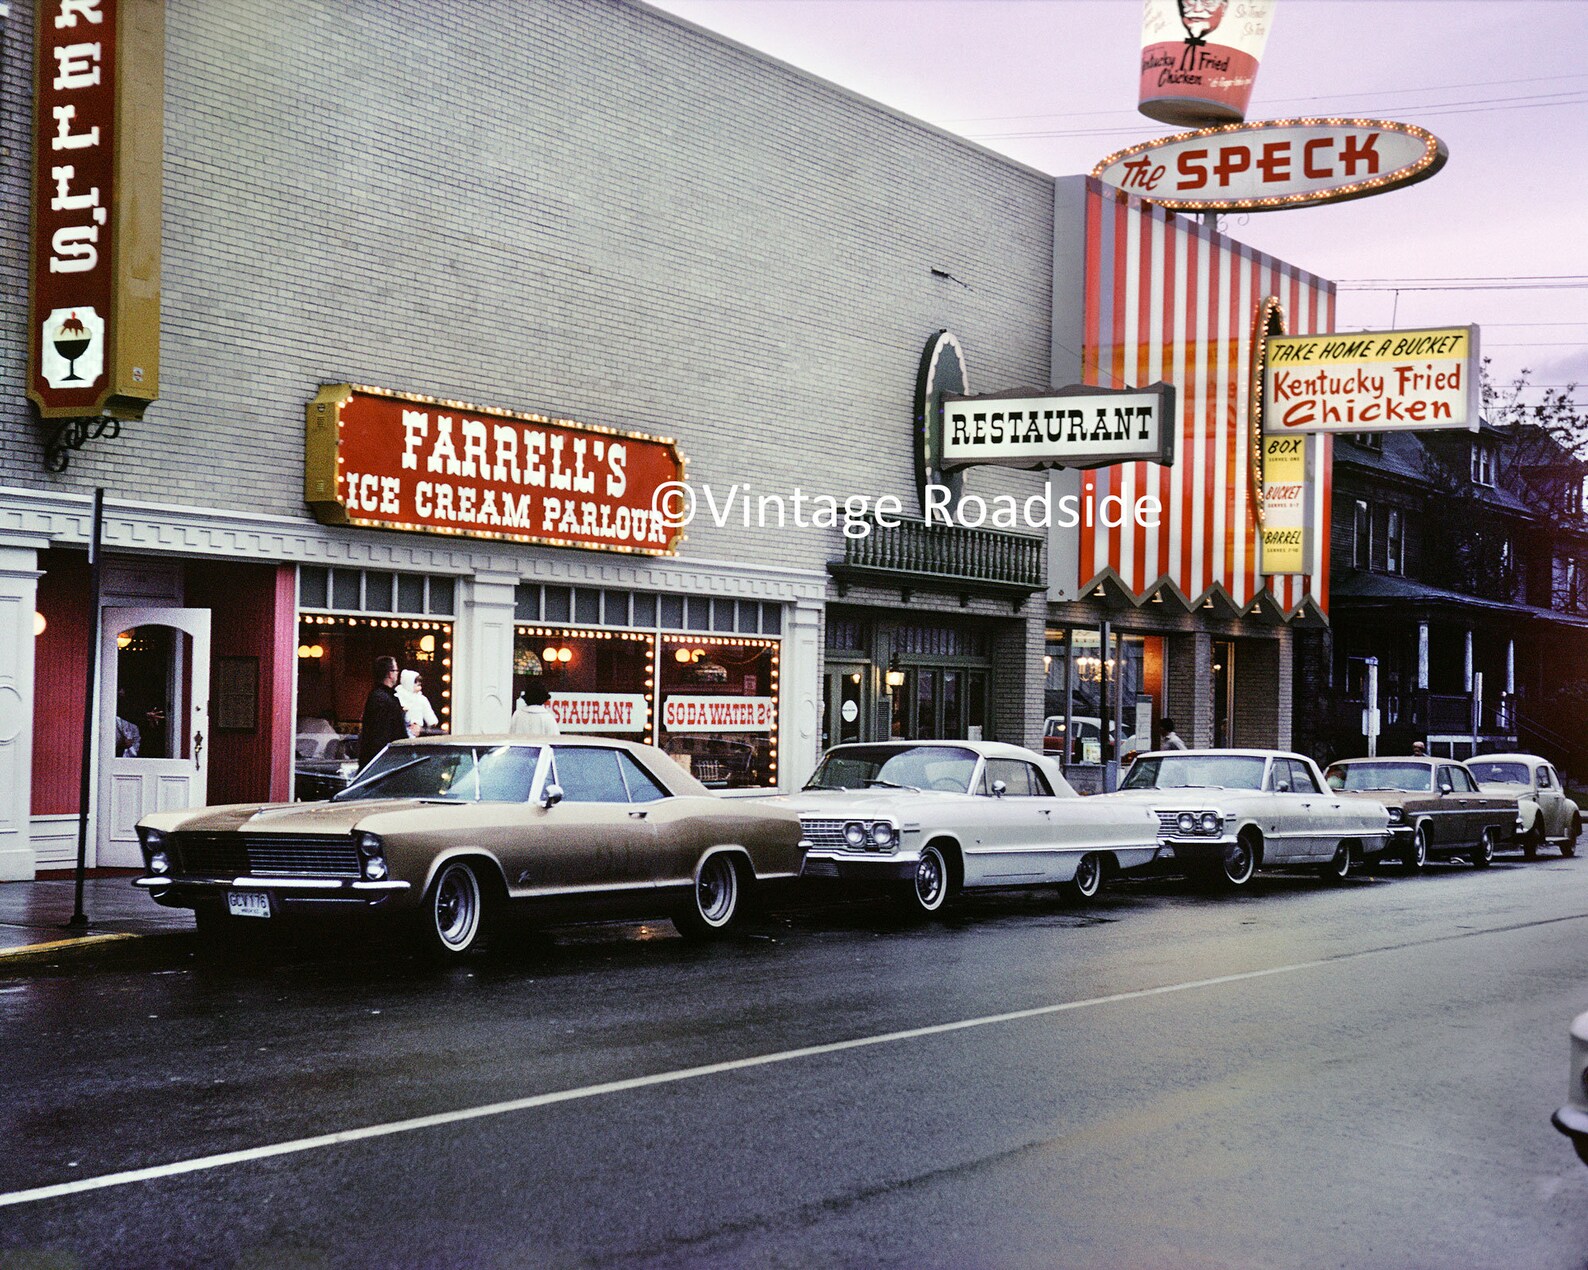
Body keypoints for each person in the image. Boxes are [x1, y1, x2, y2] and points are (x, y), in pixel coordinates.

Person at [358, 656, 408, 768]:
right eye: (396, 671)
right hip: (384, 763)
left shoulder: (381, 696)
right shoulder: (382, 699)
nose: (397, 674)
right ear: (390, 674)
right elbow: (381, 736)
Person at [396, 668, 439, 736]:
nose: (420, 688)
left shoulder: (422, 699)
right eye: (417, 685)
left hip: (417, 733)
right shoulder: (397, 697)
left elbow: (429, 715)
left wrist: (431, 723)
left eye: (420, 685)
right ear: (408, 683)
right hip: (401, 732)